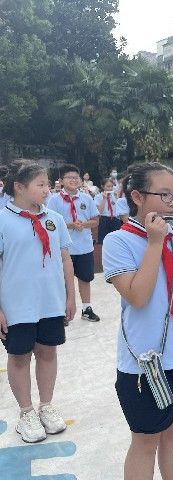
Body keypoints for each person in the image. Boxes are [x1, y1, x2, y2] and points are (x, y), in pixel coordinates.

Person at [102, 162, 173, 480]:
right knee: (146, 440)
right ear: (137, 196)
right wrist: (154, 243)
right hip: (144, 361)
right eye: (164, 195)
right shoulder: (118, 241)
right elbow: (137, 296)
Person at [0, 160, 75, 444]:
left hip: (50, 302)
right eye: (40, 184)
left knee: (47, 352)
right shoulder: (3, 220)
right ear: (19, 187)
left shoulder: (53, 218)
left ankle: (46, 405)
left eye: (47, 184)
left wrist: (70, 295)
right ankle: (26, 412)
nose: (47, 189)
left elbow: (65, 258)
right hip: (16, 305)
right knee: (19, 357)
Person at [47, 164, 101, 322]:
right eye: (69, 177)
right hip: (64, 250)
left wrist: (83, 224)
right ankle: (64, 311)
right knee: (63, 280)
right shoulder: (54, 200)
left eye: (76, 177)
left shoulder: (86, 198)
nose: (73, 180)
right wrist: (70, 225)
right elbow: (49, 223)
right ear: (61, 181)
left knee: (85, 278)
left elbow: (96, 220)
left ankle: (86, 308)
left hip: (84, 246)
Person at [95, 178, 122, 245]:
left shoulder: (115, 195)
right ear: (102, 186)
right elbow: (99, 212)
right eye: (108, 186)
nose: (110, 188)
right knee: (104, 242)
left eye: (111, 186)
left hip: (115, 219)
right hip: (104, 219)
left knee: (116, 241)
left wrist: (117, 197)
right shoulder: (98, 197)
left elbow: (120, 209)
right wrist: (104, 199)